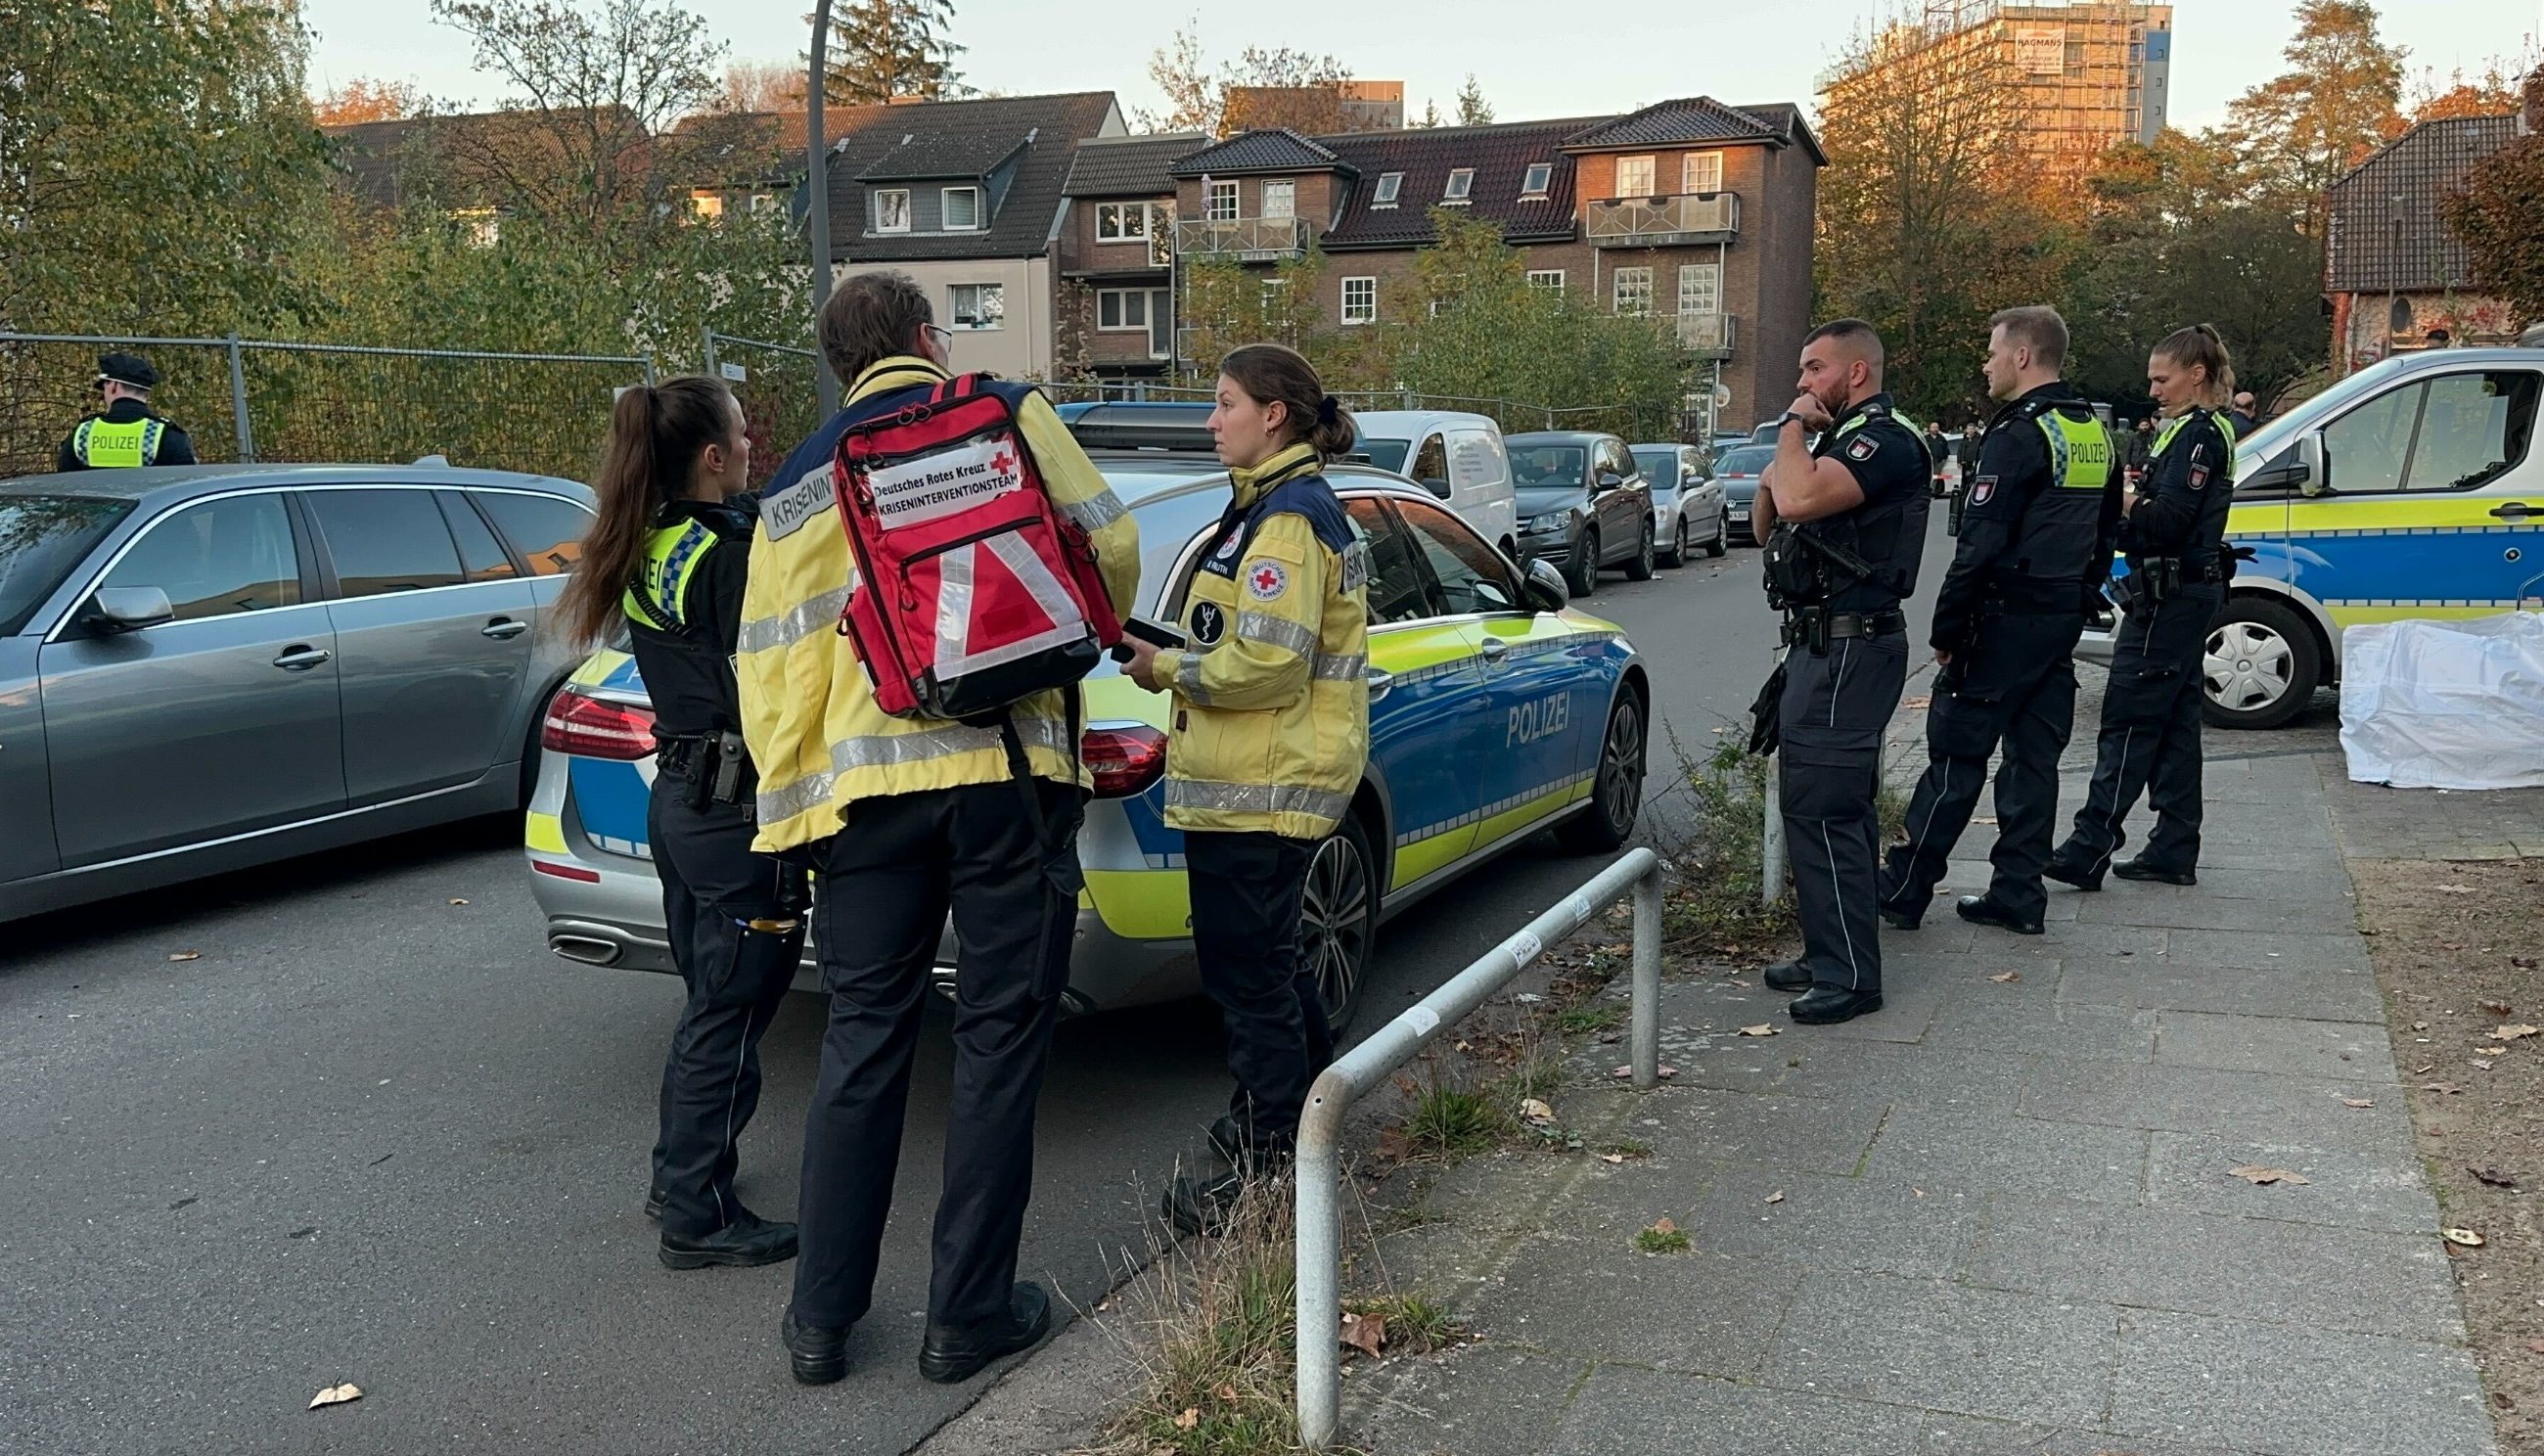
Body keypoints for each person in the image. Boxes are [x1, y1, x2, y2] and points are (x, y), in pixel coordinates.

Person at [739, 271, 1139, 1388]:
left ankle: (820, 1321)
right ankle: (964, 1317)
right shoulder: (1005, 414)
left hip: (862, 807)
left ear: (840, 367)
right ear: (925, 338)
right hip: (1009, 779)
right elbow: (1109, 551)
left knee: (862, 1041)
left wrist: (783, 830)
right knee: (998, 1043)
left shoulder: (794, 486)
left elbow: (770, 670)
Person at [1119, 343, 1371, 1234]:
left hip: (1263, 784)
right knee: (1273, 966)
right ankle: (1308, 1121)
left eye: (1225, 402)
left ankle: (1268, 1164)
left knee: (1247, 977)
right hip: (1261, 779)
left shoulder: (1289, 521)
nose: (1210, 418)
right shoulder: (1268, 509)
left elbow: (1266, 664)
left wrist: (1165, 668)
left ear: (1275, 415)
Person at [556, 377, 806, 1271]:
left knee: (711, 1000)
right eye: (742, 437)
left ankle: (680, 1177)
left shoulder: (649, 539)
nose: (751, 450)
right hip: (738, 815)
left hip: (683, 804)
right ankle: (697, 1214)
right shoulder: (734, 552)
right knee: (730, 1011)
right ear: (712, 456)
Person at [1878, 306, 2116, 936]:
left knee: (1956, 761)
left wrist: (1947, 630)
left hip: (2000, 622)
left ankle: (1904, 888)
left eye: (1991, 352)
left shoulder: (2016, 435)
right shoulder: (2090, 430)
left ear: (2021, 356)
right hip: (2058, 618)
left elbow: (1978, 547)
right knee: (2034, 763)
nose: (1985, 363)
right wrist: (2079, 594)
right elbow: (2104, 533)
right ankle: (2017, 893)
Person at [1752, 320, 1931, 1024]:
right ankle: (1829, 948)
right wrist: (1786, 459)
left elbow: (1793, 498)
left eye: (1813, 368)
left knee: (1826, 808)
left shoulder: (1882, 441)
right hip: (1823, 648)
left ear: (1856, 373)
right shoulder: (1833, 444)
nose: (1802, 383)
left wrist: (1792, 434)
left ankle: (1851, 974)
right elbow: (1770, 523)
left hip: (1852, 649)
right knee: (1819, 804)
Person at [2047, 325, 2240, 890]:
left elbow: (2170, 518)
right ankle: (2173, 847)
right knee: (2178, 723)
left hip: (2174, 593)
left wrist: (2124, 499)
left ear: (2196, 374)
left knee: (2129, 717)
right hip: (2178, 589)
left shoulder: (2200, 436)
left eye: (2162, 378)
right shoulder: (2187, 432)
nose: (2153, 389)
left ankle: (2089, 845)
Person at [56, 352, 198, 471]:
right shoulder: (166, 435)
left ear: (114, 387)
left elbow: (65, 482)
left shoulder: (83, 434)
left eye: (105, 386)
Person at [1924, 422, 1951, 498]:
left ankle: (1932, 491)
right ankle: (1927, 491)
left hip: (1939, 461)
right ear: (1930, 428)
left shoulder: (1942, 439)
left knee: (1935, 476)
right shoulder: (1926, 438)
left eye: (1937, 427)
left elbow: (1946, 450)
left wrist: (1944, 458)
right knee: (1929, 476)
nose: (1935, 429)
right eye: (1933, 427)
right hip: (1929, 461)